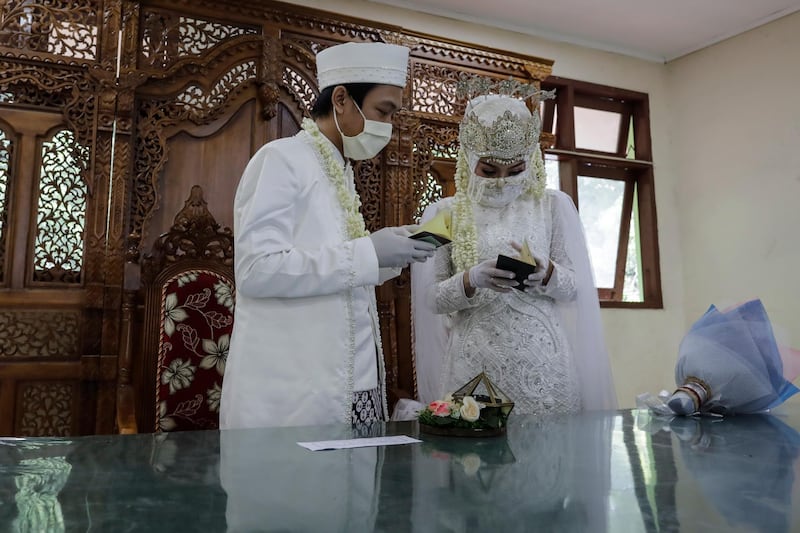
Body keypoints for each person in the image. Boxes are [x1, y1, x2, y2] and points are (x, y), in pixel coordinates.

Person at [220, 42, 436, 430]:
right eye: (383, 111)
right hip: (296, 390)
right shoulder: (281, 160)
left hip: (354, 378)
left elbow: (337, 263)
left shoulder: (341, 169)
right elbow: (257, 270)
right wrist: (369, 253)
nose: (388, 126)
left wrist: (389, 257)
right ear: (341, 99)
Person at [409, 78, 616, 416]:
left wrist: (546, 274)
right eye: (489, 170)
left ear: (530, 161)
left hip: (544, 363)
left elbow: (578, 287)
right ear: (469, 159)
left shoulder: (554, 206)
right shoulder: (440, 214)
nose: (503, 179)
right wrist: (470, 280)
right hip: (473, 363)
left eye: (515, 169)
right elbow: (428, 297)